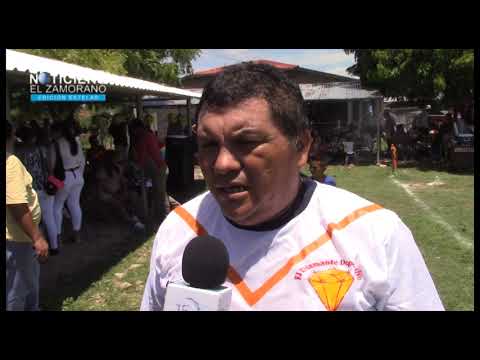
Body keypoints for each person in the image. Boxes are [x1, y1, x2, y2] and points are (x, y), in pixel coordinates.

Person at [141, 63, 444, 311]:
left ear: (302, 147)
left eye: (246, 143)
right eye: (208, 144)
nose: (221, 164)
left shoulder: (376, 234)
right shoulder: (179, 230)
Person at [6, 120, 49, 311]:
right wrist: (37, 237)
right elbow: (17, 204)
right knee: (18, 291)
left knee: (24, 285)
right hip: (18, 239)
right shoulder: (10, 162)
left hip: (13, 237)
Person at [15, 125, 59, 255]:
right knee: (49, 217)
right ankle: (55, 247)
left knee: (33, 220)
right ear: (33, 137)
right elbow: (49, 167)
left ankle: (36, 248)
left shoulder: (18, 153)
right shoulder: (41, 149)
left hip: (31, 190)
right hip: (45, 187)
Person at [51, 120, 86, 244]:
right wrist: (80, 175)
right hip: (77, 176)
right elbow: (82, 160)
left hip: (64, 178)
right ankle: (77, 234)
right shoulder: (76, 142)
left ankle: (58, 236)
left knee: (57, 206)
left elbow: (52, 164)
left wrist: (50, 178)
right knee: (74, 204)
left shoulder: (57, 144)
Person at [130, 118, 169, 226]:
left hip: (157, 167)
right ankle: (158, 216)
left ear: (137, 128)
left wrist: (139, 167)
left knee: (159, 194)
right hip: (160, 166)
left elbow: (141, 156)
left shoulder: (142, 137)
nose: (132, 132)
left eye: (133, 129)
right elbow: (161, 144)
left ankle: (161, 219)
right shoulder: (150, 134)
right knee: (159, 193)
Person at [95, 150, 145, 231]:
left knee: (133, 195)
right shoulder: (102, 170)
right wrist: (113, 194)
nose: (118, 159)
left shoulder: (118, 167)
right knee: (119, 202)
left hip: (117, 191)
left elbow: (122, 181)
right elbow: (100, 187)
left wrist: (124, 191)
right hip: (106, 194)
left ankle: (134, 215)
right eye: (115, 157)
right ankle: (131, 222)